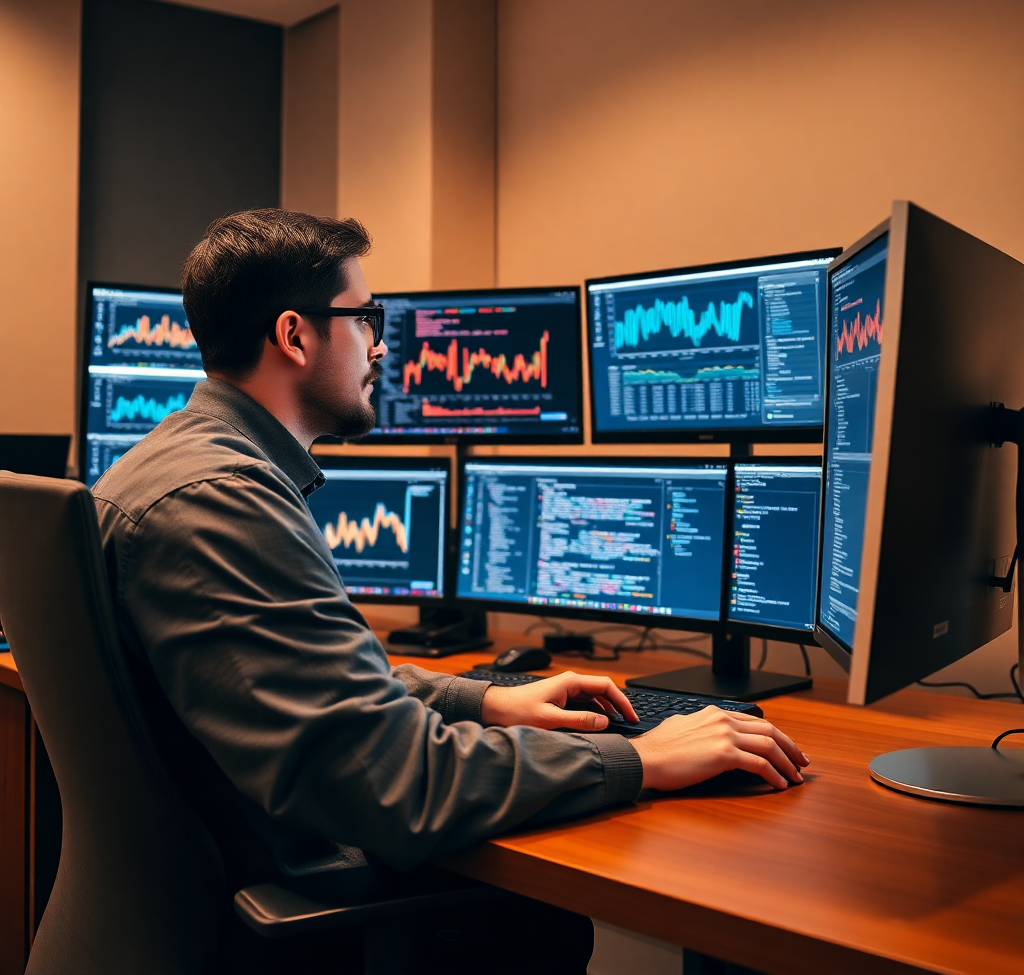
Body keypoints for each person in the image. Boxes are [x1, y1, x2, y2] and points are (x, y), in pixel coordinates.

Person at [93, 209, 808, 973]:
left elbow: (312, 684)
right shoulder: (221, 501)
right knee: (545, 924)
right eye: (365, 318)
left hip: (234, 873)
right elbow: (396, 780)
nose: (379, 343)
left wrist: (486, 701)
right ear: (296, 336)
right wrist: (643, 760)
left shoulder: (184, 467)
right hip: (292, 913)